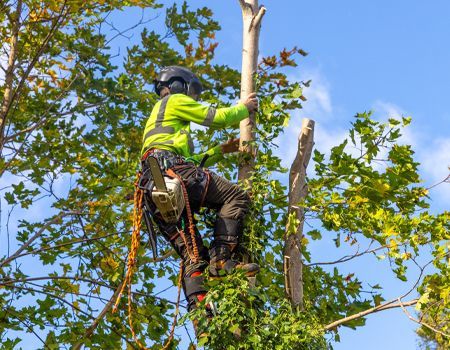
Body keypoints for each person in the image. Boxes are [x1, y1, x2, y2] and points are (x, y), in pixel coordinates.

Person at [141, 66, 259, 312]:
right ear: (177, 86)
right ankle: (221, 259)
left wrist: (219, 151)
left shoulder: (158, 123)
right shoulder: (174, 100)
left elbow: (189, 165)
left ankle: (200, 314)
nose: (191, 99)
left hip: (154, 184)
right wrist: (244, 108)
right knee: (235, 196)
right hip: (174, 173)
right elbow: (214, 117)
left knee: (192, 254)